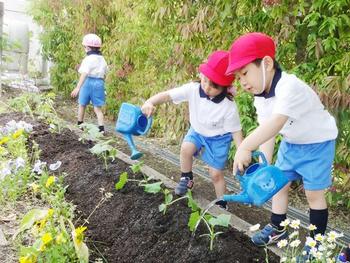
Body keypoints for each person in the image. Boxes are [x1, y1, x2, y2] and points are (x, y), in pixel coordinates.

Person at [226, 32, 338, 248]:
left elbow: (276, 122)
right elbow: (268, 131)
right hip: (292, 143)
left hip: (318, 144)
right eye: (239, 78)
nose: (243, 83)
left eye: (245, 73)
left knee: (313, 193)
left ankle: (316, 244)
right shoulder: (261, 98)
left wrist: (246, 146)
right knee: (278, 184)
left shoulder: (289, 86)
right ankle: (278, 229)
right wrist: (264, 166)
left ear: (266, 63)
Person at [141, 50, 243, 210]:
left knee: (215, 174)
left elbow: (236, 131)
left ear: (225, 87)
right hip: (197, 131)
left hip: (218, 138)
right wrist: (150, 101)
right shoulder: (193, 89)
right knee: (186, 149)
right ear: (201, 75)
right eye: (205, 81)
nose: (207, 87)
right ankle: (186, 178)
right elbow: (167, 95)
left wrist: (241, 151)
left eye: (214, 85)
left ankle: (222, 203)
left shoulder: (228, 107)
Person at [71, 33, 108, 133]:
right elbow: (105, 73)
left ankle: (80, 124)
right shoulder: (102, 59)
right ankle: (101, 129)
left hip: (88, 82)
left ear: (87, 48)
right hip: (99, 83)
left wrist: (78, 87)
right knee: (97, 108)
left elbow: (84, 73)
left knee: (82, 104)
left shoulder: (88, 59)